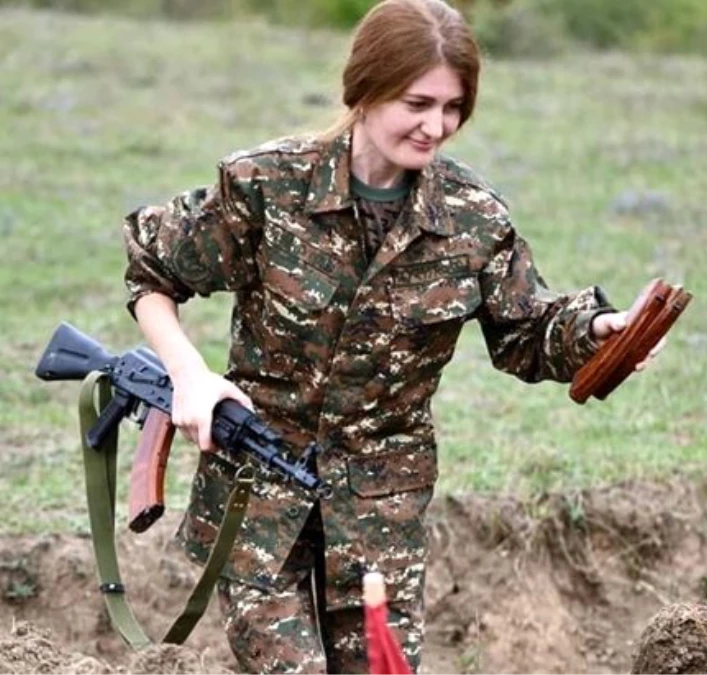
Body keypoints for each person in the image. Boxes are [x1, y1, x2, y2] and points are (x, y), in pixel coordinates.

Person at [121, 0, 662, 671]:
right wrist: (190, 374)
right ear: (366, 88)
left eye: (454, 107)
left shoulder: (472, 219)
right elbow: (150, 270)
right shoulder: (266, 184)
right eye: (417, 102)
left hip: (381, 515)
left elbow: (526, 331)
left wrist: (595, 332)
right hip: (257, 498)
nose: (437, 126)